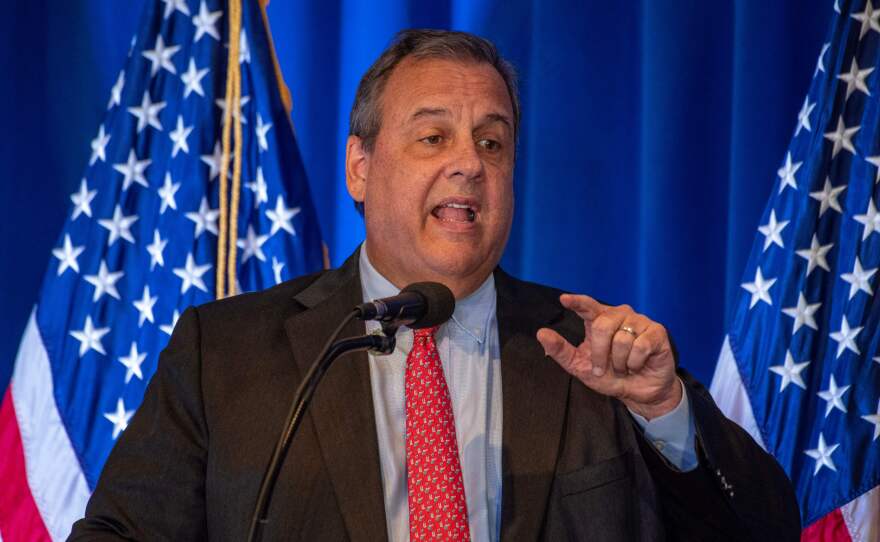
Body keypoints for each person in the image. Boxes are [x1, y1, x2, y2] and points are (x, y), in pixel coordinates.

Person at [70, 29, 800, 541]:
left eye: (492, 141)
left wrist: (664, 410)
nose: (469, 164)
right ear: (360, 165)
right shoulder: (224, 352)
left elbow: (765, 530)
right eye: (432, 137)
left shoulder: (594, 351)